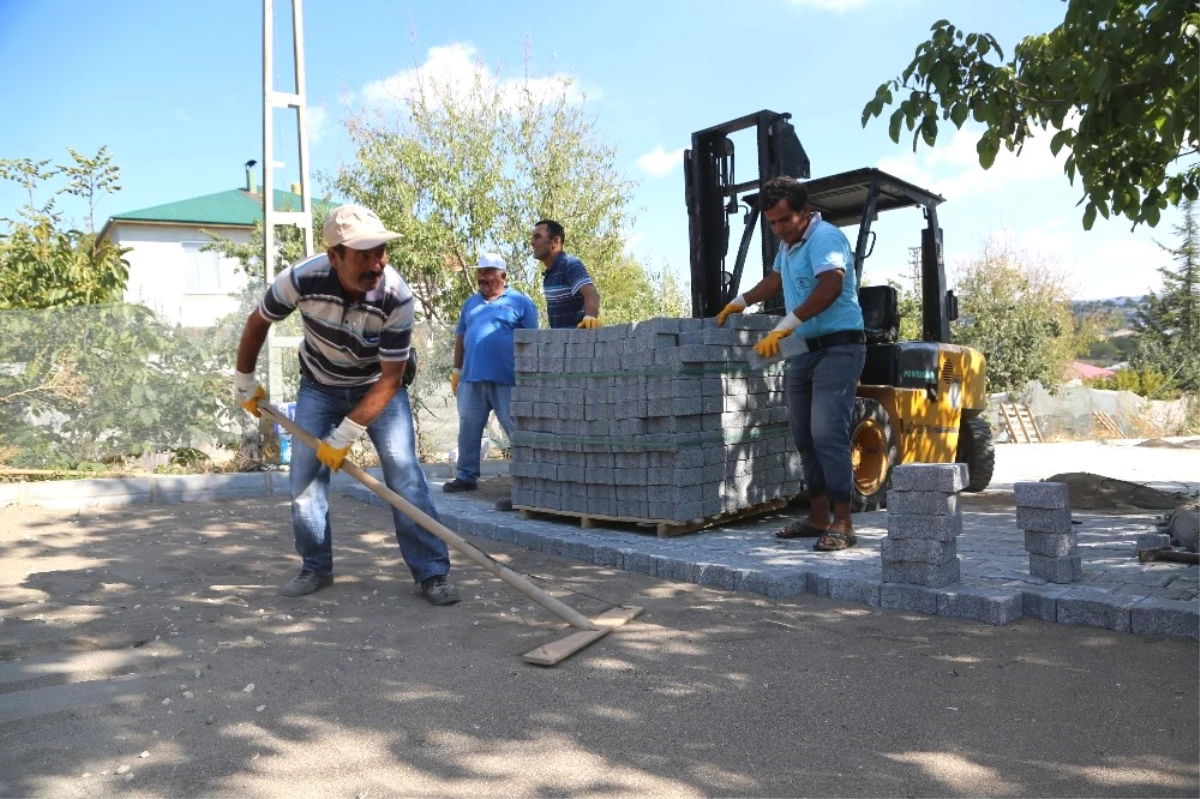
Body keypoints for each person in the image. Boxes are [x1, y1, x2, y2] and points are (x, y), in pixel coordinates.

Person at [233, 203, 459, 604]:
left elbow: (391, 378)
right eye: (363, 255)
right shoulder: (301, 279)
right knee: (304, 478)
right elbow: (259, 322)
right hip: (319, 386)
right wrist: (244, 381)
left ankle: (432, 572)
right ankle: (315, 567)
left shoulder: (396, 296)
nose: (376, 264)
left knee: (405, 476)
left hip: (377, 388)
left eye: (381, 252)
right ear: (334, 256)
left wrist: (345, 435)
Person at [716, 176, 866, 551]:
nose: (779, 229)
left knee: (826, 431)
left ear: (805, 211)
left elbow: (830, 286)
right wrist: (742, 300)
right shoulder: (789, 246)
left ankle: (843, 522)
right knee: (802, 434)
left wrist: (784, 326)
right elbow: (776, 280)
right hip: (804, 347)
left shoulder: (825, 238)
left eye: (785, 220)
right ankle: (817, 517)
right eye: (772, 223)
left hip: (839, 346)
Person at [442, 253, 539, 511]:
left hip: (507, 379)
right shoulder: (471, 304)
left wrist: (529, 375)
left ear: (503, 276)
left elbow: (532, 340)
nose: (483, 277)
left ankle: (530, 481)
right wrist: (456, 370)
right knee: (468, 429)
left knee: (516, 430)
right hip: (472, 379)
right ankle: (466, 477)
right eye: (480, 272)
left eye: (489, 271)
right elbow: (461, 337)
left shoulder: (520, 302)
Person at [530, 219, 602, 329]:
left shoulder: (570, 264)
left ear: (555, 241)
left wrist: (589, 319)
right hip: (561, 343)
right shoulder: (549, 274)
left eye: (538, 237)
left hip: (578, 342)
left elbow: (591, 294)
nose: (532, 242)